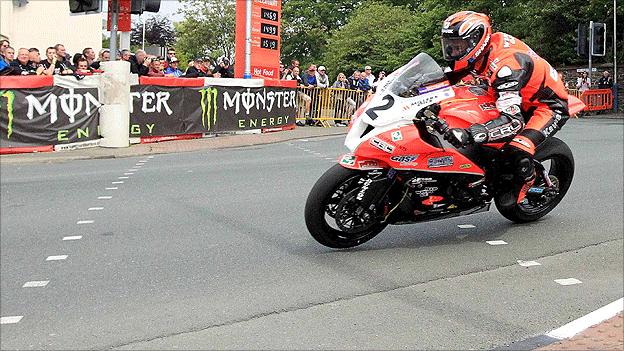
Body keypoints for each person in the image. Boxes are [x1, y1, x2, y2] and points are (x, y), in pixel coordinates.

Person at [437, 11, 570, 206]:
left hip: (545, 105)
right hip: (508, 93)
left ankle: (526, 182)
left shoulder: (507, 66)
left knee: (517, 149)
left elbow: (513, 122)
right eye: (450, 45)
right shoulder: (480, 51)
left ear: (477, 41)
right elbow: (449, 79)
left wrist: (471, 134)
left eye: (459, 46)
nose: (453, 51)